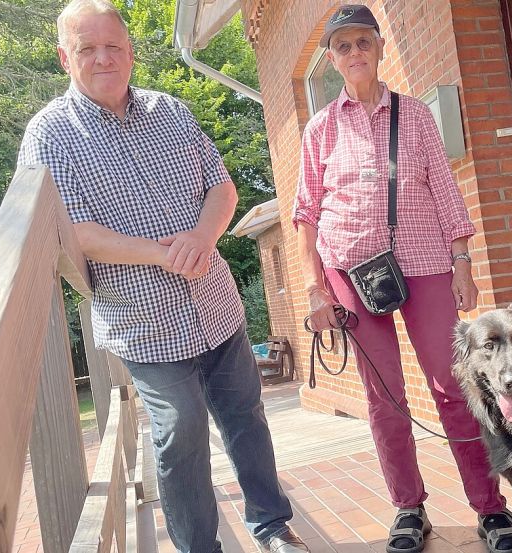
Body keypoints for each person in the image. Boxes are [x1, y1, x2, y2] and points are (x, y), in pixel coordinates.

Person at [17, 2, 307, 552]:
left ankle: (272, 527)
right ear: (64, 57)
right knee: (180, 433)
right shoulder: (49, 134)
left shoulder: (171, 111)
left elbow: (223, 189)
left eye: (114, 47)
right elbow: (70, 231)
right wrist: (158, 253)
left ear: (130, 53)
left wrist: (202, 237)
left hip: (215, 304)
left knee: (246, 420)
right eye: (87, 49)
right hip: (144, 324)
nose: (104, 58)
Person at [293, 5, 512, 553]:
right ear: (332, 58)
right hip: (350, 272)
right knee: (384, 397)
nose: (354, 53)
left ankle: (491, 510)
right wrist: (314, 288)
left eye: (363, 43)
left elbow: (445, 189)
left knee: (454, 387)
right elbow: (306, 212)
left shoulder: (415, 114)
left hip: (424, 265)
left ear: (379, 49)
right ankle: (408, 508)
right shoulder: (320, 128)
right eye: (343, 46)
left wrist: (463, 262)